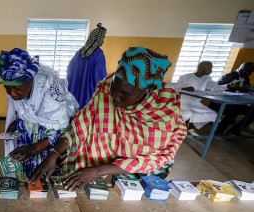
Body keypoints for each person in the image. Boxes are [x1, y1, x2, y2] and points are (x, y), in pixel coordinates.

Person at [31, 46, 187, 195]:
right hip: (109, 161)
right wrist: (54, 153)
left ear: (147, 91)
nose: (114, 97)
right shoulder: (107, 87)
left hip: (144, 169)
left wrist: (99, 170)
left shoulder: (164, 113)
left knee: (129, 196)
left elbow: (151, 159)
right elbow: (81, 125)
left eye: (124, 94)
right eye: (114, 88)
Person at [0, 48, 78, 212]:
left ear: (31, 79)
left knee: (49, 186)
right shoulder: (17, 85)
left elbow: (62, 128)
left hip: (53, 143)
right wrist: (16, 124)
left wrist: (36, 148)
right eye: (7, 88)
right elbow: (20, 108)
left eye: (17, 88)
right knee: (28, 184)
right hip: (30, 137)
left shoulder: (50, 90)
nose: (12, 93)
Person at [174, 61, 226, 134]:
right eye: (210, 67)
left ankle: (191, 128)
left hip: (196, 103)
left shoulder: (207, 78)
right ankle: (173, 129)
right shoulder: (186, 77)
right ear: (202, 67)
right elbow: (175, 89)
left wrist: (228, 86)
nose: (211, 70)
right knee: (187, 113)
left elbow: (215, 87)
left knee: (213, 114)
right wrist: (185, 88)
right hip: (182, 103)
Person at [67, 23, 107, 109]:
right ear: (98, 39)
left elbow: (69, 70)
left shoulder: (80, 52)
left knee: (72, 113)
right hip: (88, 94)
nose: (102, 41)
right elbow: (100, 78)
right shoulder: (98, 54)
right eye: (102, 38)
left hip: (73, 91)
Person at [209, 62, 254, 135]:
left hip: (235, 102)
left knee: (252, 110)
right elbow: (218, 90)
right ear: (242, 69)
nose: (249, 74)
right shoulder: (228, 76)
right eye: (248, 72)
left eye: (251, 72)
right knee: (235, 110)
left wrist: (248, 89)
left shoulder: (246, 78)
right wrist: (239, 87)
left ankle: (235, 130)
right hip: (219, 102)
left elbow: (245, 89)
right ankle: (219, 131)